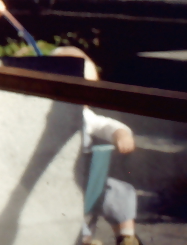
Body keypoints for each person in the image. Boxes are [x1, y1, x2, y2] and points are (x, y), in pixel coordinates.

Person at [52, 47, 142, 245]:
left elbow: (105, 124)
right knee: (69, 217)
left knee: (119, 191)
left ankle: (126, 236)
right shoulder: (46, 118)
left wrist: (121, 133)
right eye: (81, 89)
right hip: (55, 182)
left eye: (91, 90)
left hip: (83, 178)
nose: (87, 99)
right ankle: (85, 240)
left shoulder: (84, 116)